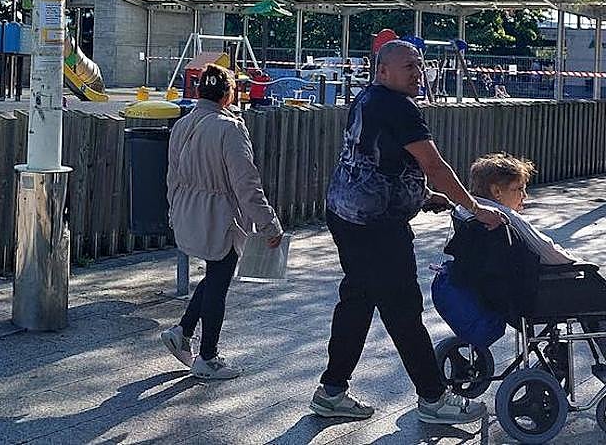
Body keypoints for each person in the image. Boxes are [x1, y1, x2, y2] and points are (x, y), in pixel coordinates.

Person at [309, 40, 508, 425]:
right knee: (402, 309)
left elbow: (378, 161)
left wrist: (421, 195)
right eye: (408, 67)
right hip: (376, 228)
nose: (417, 72)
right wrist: (475, 207)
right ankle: (433, 399)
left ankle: (331, 391)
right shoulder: (399, 107)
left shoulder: (368, 98)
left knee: (357, 300)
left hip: (346, 215)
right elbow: (434, 165)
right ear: (383, 71)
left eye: (419, 65)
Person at [159, 63, 283, 380]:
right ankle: (208, 356)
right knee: (220, 280)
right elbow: (246, 184)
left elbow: (172, 174)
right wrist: (269, 224)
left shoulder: (182, 124)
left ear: (200, 91)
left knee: (216, 273)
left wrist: (175, 209)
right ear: (228, 94)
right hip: (220, 215)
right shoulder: (230, 128)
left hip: (186, 209)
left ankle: (182, 331)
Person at [449, 153, 606, 373]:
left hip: (499, 292)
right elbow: (548, 251)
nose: (525, 196)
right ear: (496, 191)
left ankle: (556, 356)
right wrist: (580, 264)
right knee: (595, 291)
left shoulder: (467, 211)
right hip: (528, 295)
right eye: (519, 188)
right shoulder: (505, 217)